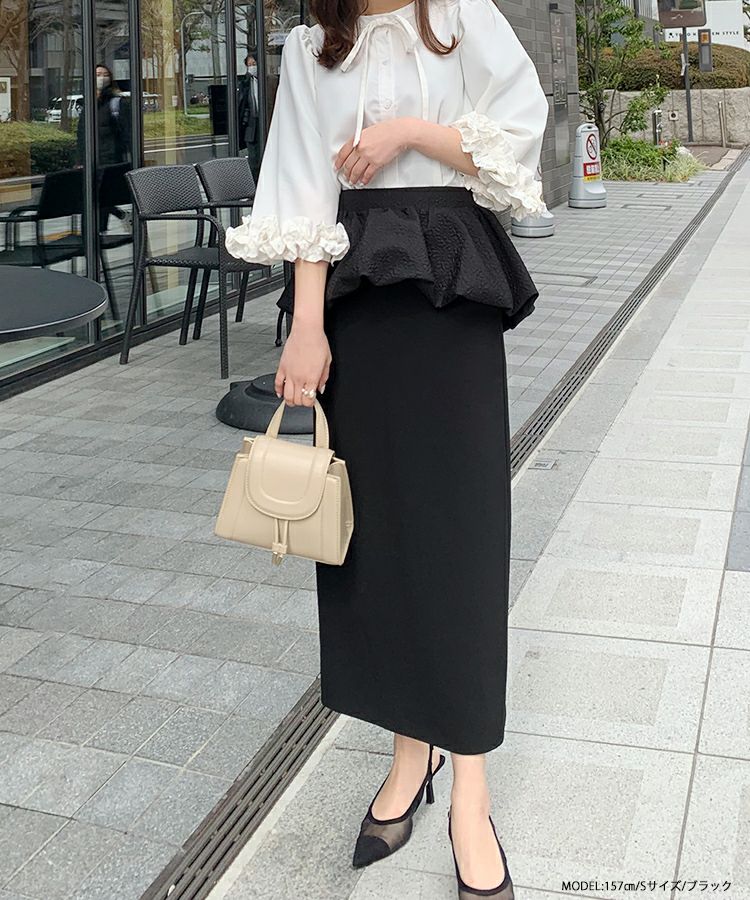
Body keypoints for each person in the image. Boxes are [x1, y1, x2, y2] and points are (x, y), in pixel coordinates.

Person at [225, 0, 548, 895]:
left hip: (449, 289)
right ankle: (412, 755)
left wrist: (410, 132)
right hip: (356, 304)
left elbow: (518, 131)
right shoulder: (310, 48)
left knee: (460, 535)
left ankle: (471, 792)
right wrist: (306, 327)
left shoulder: (458, 17)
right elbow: (302, 185)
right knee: (377, 538)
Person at [237, 53, 261, 179]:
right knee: (253, 159)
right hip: (251, 126)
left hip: (265, 124)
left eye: (254, 64)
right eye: (249, 65)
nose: (252, 67)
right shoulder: (245, 84)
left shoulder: (269, 80)